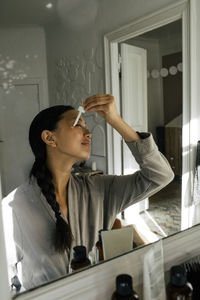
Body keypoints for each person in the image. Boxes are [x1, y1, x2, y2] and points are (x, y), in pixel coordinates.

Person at [2, 94, 174, 291]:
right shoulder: (13, 208)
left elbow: (161, 175)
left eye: (86, 125)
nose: (89, 132)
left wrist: (115, 121)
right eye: (78, 124)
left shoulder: (100, 189)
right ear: (50, 137)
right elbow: (6, 279)